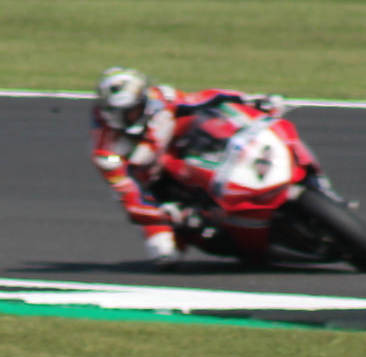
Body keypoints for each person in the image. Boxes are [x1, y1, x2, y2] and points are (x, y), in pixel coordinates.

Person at [88, 67, 284, 267]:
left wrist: (251, 100)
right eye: (126, 111)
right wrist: (167, 215)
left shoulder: (161, 98)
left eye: (136, 107)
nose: (134, 114)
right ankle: (213, 234)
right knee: (165, 255)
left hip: (185, 148)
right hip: (157, 189)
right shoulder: (108, 154)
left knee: (216, 119)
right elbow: (132, 204)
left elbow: (207, 98)